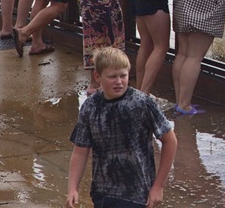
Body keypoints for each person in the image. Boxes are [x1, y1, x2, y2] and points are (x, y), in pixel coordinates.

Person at [65, 47, 177, 208]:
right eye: (112, 77)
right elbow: (80, 151)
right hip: (102, 193)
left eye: (123, 76)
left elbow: (170, 141)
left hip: (137, 194)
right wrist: (72, 189)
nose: (119, 81)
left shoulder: (142, 103)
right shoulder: (90, 107)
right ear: (97, 76)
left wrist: (158, 186)